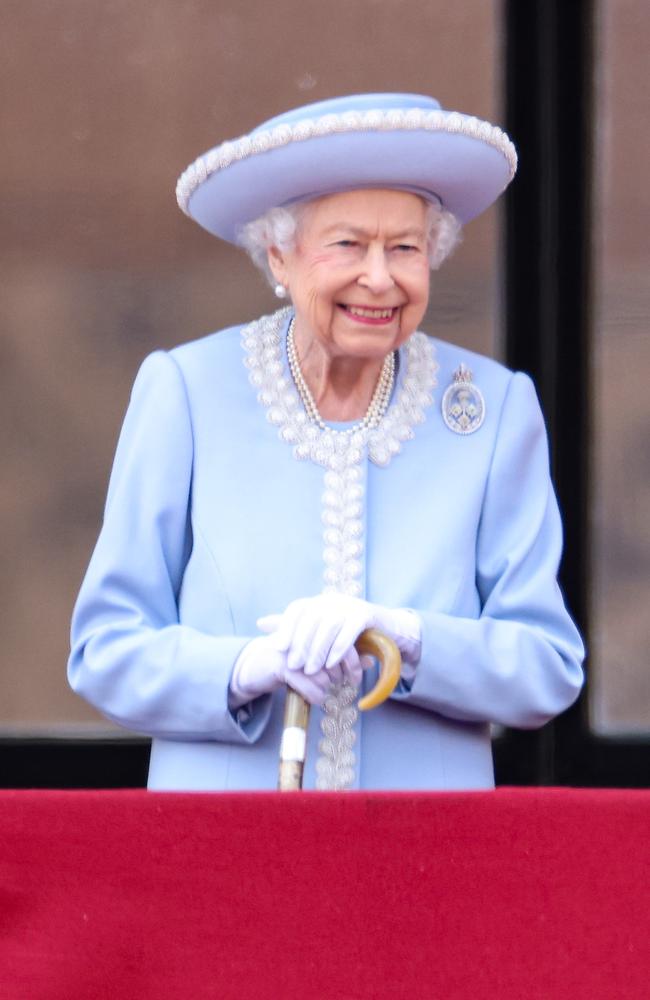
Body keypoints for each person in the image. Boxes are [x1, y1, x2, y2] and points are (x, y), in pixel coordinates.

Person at [68, 93, 584, 791]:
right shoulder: (186, 391)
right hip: (222, 851)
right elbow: (105, 651)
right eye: (348, 244)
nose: (380, 277)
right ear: (279, 255)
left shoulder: (493, 410)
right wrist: (245, 668)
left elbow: (547, 667)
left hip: (429, 856)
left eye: (406, 247)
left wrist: (405, 635)